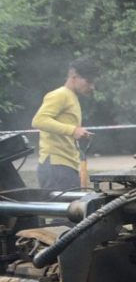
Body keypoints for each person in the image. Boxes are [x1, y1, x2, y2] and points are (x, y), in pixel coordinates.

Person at [31, 58, 98, 191]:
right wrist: (73, 130)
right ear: (74, 76)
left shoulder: (72, 97)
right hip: (56, 167)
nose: (92, 87)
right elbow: (39, 120)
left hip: (65, 166)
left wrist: (76, 133)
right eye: (88, 81)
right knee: (63, 210)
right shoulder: (60, 95)